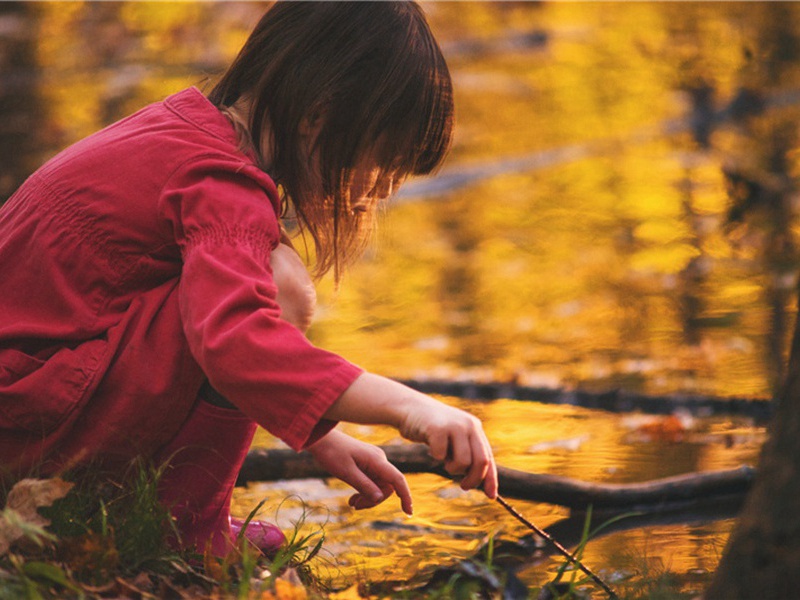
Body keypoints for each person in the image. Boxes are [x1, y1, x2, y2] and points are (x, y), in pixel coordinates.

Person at [0, 1, 498, 556]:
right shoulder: (222, 184)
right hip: (25, 421)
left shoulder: (182, 129)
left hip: (25, 392)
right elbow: (237, 344)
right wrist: (414, 408)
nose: (381, 190)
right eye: (381, 162)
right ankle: (186, 529)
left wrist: (322, 434)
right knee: (278, 279)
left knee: (260, 275)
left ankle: (169, 511)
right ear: (320, 116)